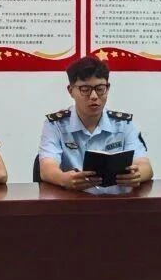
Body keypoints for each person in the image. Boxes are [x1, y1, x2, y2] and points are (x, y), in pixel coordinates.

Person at [38, 56, 153, 190]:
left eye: (100, 88)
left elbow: (145, 165)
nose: (94, 96)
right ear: (71, 91)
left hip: (118, 200)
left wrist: (137, 175)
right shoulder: (55, 125)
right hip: (73, 200)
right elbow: (47, 168)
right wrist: (64, 179)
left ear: (107, 88)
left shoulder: (124, 124)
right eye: (85, 89)